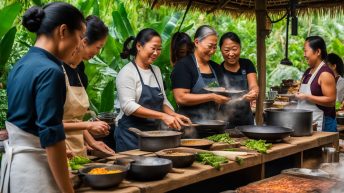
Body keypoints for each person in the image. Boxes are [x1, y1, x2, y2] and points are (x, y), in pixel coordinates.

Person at [2, 2, 85, 193]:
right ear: (63, 31)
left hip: (16, 169)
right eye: (80, 37)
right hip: (36, 174)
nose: (80, 45)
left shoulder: (21, 65)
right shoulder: (51, 71)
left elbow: (26, 122)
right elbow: (51, 136)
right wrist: (67, 190)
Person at [115, 28, 191, 152]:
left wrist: (174, 115)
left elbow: (163, 101)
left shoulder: (156, 70)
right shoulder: (127, 72)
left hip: (153, 135)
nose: (156, 53)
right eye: (153, 48)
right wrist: (163, 116)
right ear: (139, 46)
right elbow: (128, 106)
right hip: (130, 136)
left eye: (159, 49)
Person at [62, 15, 115, 157]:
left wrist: (92, 142)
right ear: (83, 42)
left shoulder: (80, 71)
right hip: (60, 148)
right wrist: (89, 125)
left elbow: (75, 120)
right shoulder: (55, 71)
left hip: (78, 148)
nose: (98, 52)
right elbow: (50, 124)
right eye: (98, 47)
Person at [171, 25, 230, 121]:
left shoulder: (216, 68)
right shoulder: (183, 66)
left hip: (213, 123)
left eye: (215, 47)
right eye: (210, 46)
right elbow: (181, 98)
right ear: (197, 42)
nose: (212, 51)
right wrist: (212, 96)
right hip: (190, 125)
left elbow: (222, 94)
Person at [296, 36, 336, 132]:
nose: (304, 55)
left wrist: (307, 97)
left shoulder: (325, 74)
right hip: (308, 123)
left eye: (306, 51)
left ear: (318, 52)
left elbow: (331, 101)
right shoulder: (308, 72)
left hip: (324, 124)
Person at [218, 32, 259, 128]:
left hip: (246, 120)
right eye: (227, 50)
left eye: (234, 49)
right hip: (225, 120)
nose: (231, 54)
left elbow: (253, 85)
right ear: (221, 50)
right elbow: (217, 97)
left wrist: (254, 92)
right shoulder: (218, 70)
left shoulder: (247, 64)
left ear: (240, 48)